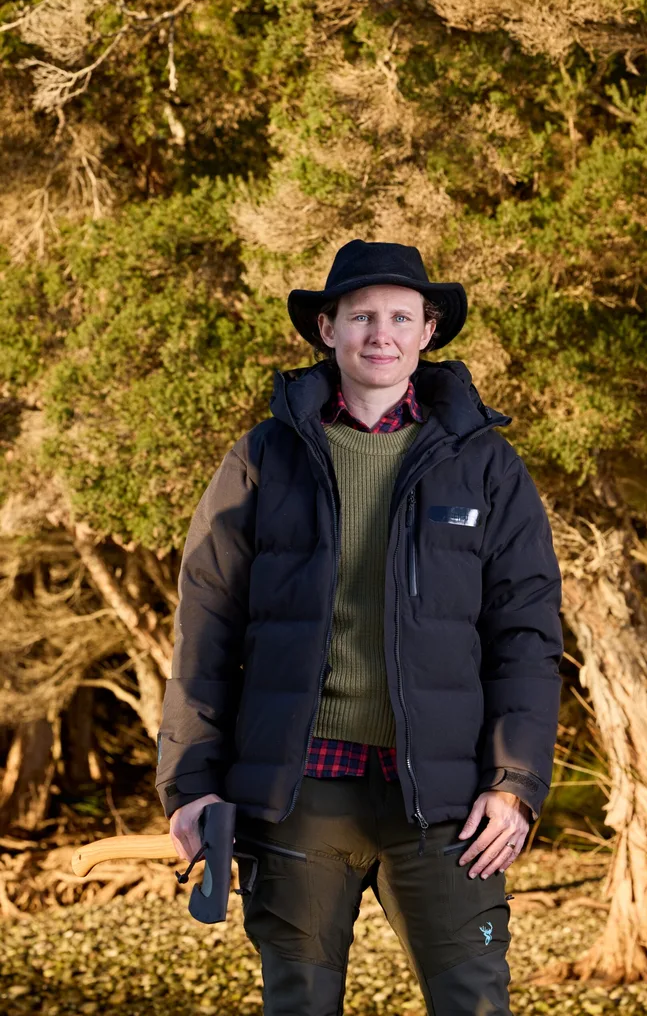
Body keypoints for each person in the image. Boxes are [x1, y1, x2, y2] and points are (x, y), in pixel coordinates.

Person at [155, 239, 563, 1015]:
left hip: (446, 805)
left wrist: (513, 783)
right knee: (299, 1003)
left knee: (475, 1003)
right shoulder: (262, 459)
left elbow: (526, 639)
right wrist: (190, 784)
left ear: (427, 331)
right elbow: (205, 629)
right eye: (361, 316)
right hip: (295, 794)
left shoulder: (487, 465)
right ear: (327, 329)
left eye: (401, 317)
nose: (381, 334)